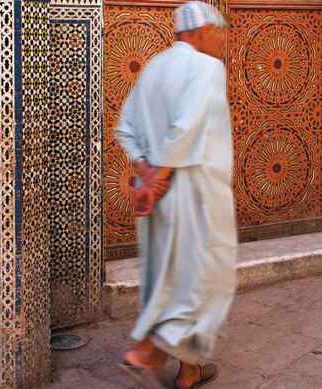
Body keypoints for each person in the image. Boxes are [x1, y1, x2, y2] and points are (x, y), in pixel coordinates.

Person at [115, 1, 238, 388]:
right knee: (205, 276)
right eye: (218, 33)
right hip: (192, 190)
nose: (221, 42)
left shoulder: (154, 68)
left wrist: (145, 171)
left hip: (156, 194)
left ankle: (189, 371)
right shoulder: (207, 68)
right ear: (200, 31)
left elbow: (125, 128)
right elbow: (187, 126)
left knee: (168, 275)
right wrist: (159, 176)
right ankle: (149, 350)